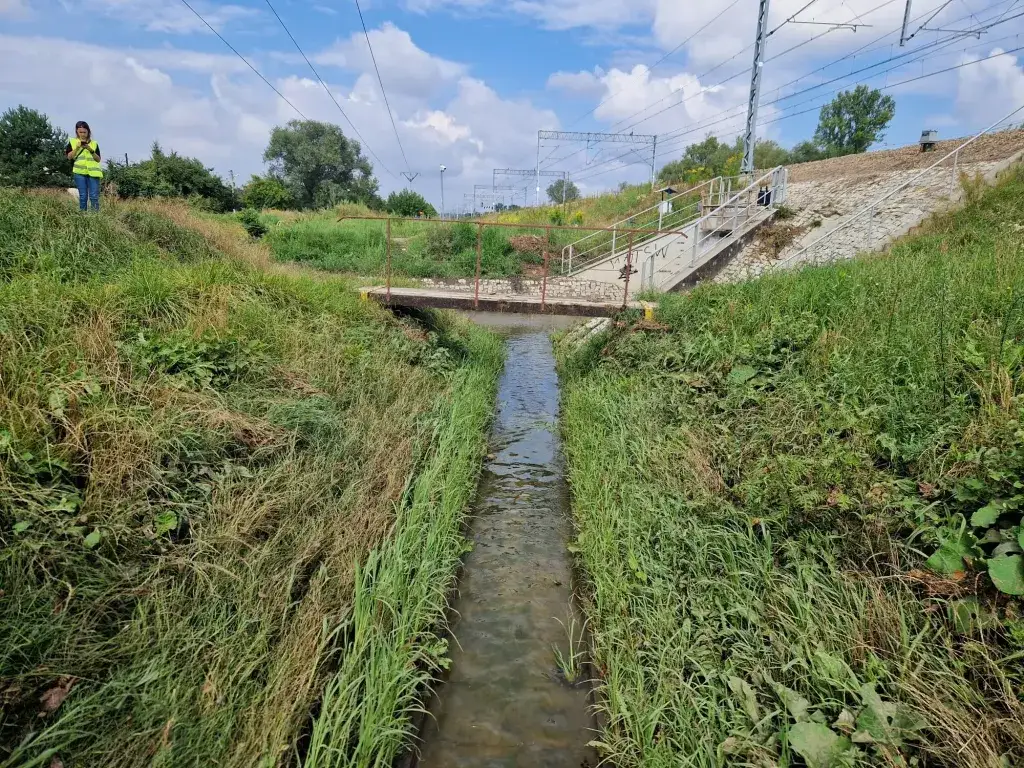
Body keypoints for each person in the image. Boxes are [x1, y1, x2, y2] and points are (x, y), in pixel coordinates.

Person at [65, 121, 103, 212]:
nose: (82, 134)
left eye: (84, 132)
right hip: (80, 173)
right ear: (77, 132)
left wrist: (90, 150)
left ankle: (95, 217)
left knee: (94, 197)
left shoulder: (94, 144)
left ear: (88, 132)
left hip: (93, 173)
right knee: (83, 196)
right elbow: (69, 157)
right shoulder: (72, 142)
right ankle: (83, 217)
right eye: (80, 132)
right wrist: (77, 148)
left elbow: (98, 159)